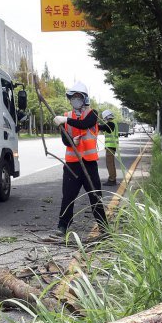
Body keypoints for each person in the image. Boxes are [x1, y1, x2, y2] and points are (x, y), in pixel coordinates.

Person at [51, 81, 107, 239]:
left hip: (89, 164)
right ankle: (62, 226)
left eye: (78, 97)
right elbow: (65, 140)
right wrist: (71, 141)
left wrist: (65, 120)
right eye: (73, 97)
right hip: (72, 165)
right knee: (68, 197)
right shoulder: (66, 116)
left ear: (84, 99)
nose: (75, 100)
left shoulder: (92, 114)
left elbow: (85, 124)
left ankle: (104, 227)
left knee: (95, 196)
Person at [102, 110, 120, 186]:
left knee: (109, 163)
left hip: (110, 146)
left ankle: (112, 180)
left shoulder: (110, 124)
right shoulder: (113, 123)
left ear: (106, 117)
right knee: (111, 163)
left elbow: (102, 127)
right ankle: (113, 178)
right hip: (112, 146)